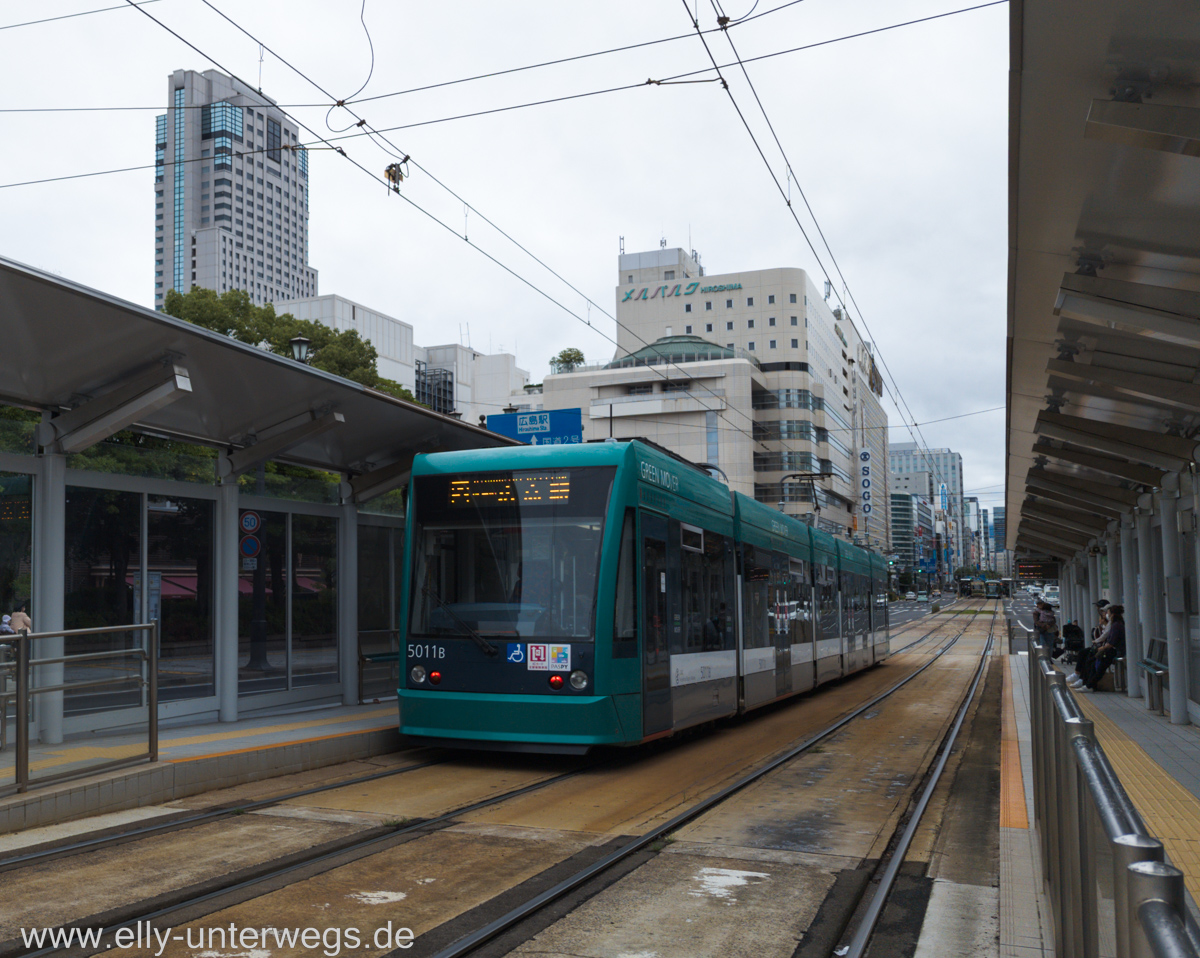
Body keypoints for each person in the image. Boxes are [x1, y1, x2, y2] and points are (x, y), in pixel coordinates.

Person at [1071, 604, 1125, 691]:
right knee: (1092, 663)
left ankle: (1089, 685)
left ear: (1113, 614)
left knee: (1099, 666)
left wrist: (1102, 648)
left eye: (1108, 613)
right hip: (1111, 650)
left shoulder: (1116, 625)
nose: (1107, 614)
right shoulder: (1117, 624)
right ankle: (1087, 684)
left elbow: (1111, 642)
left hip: (1113, 651)